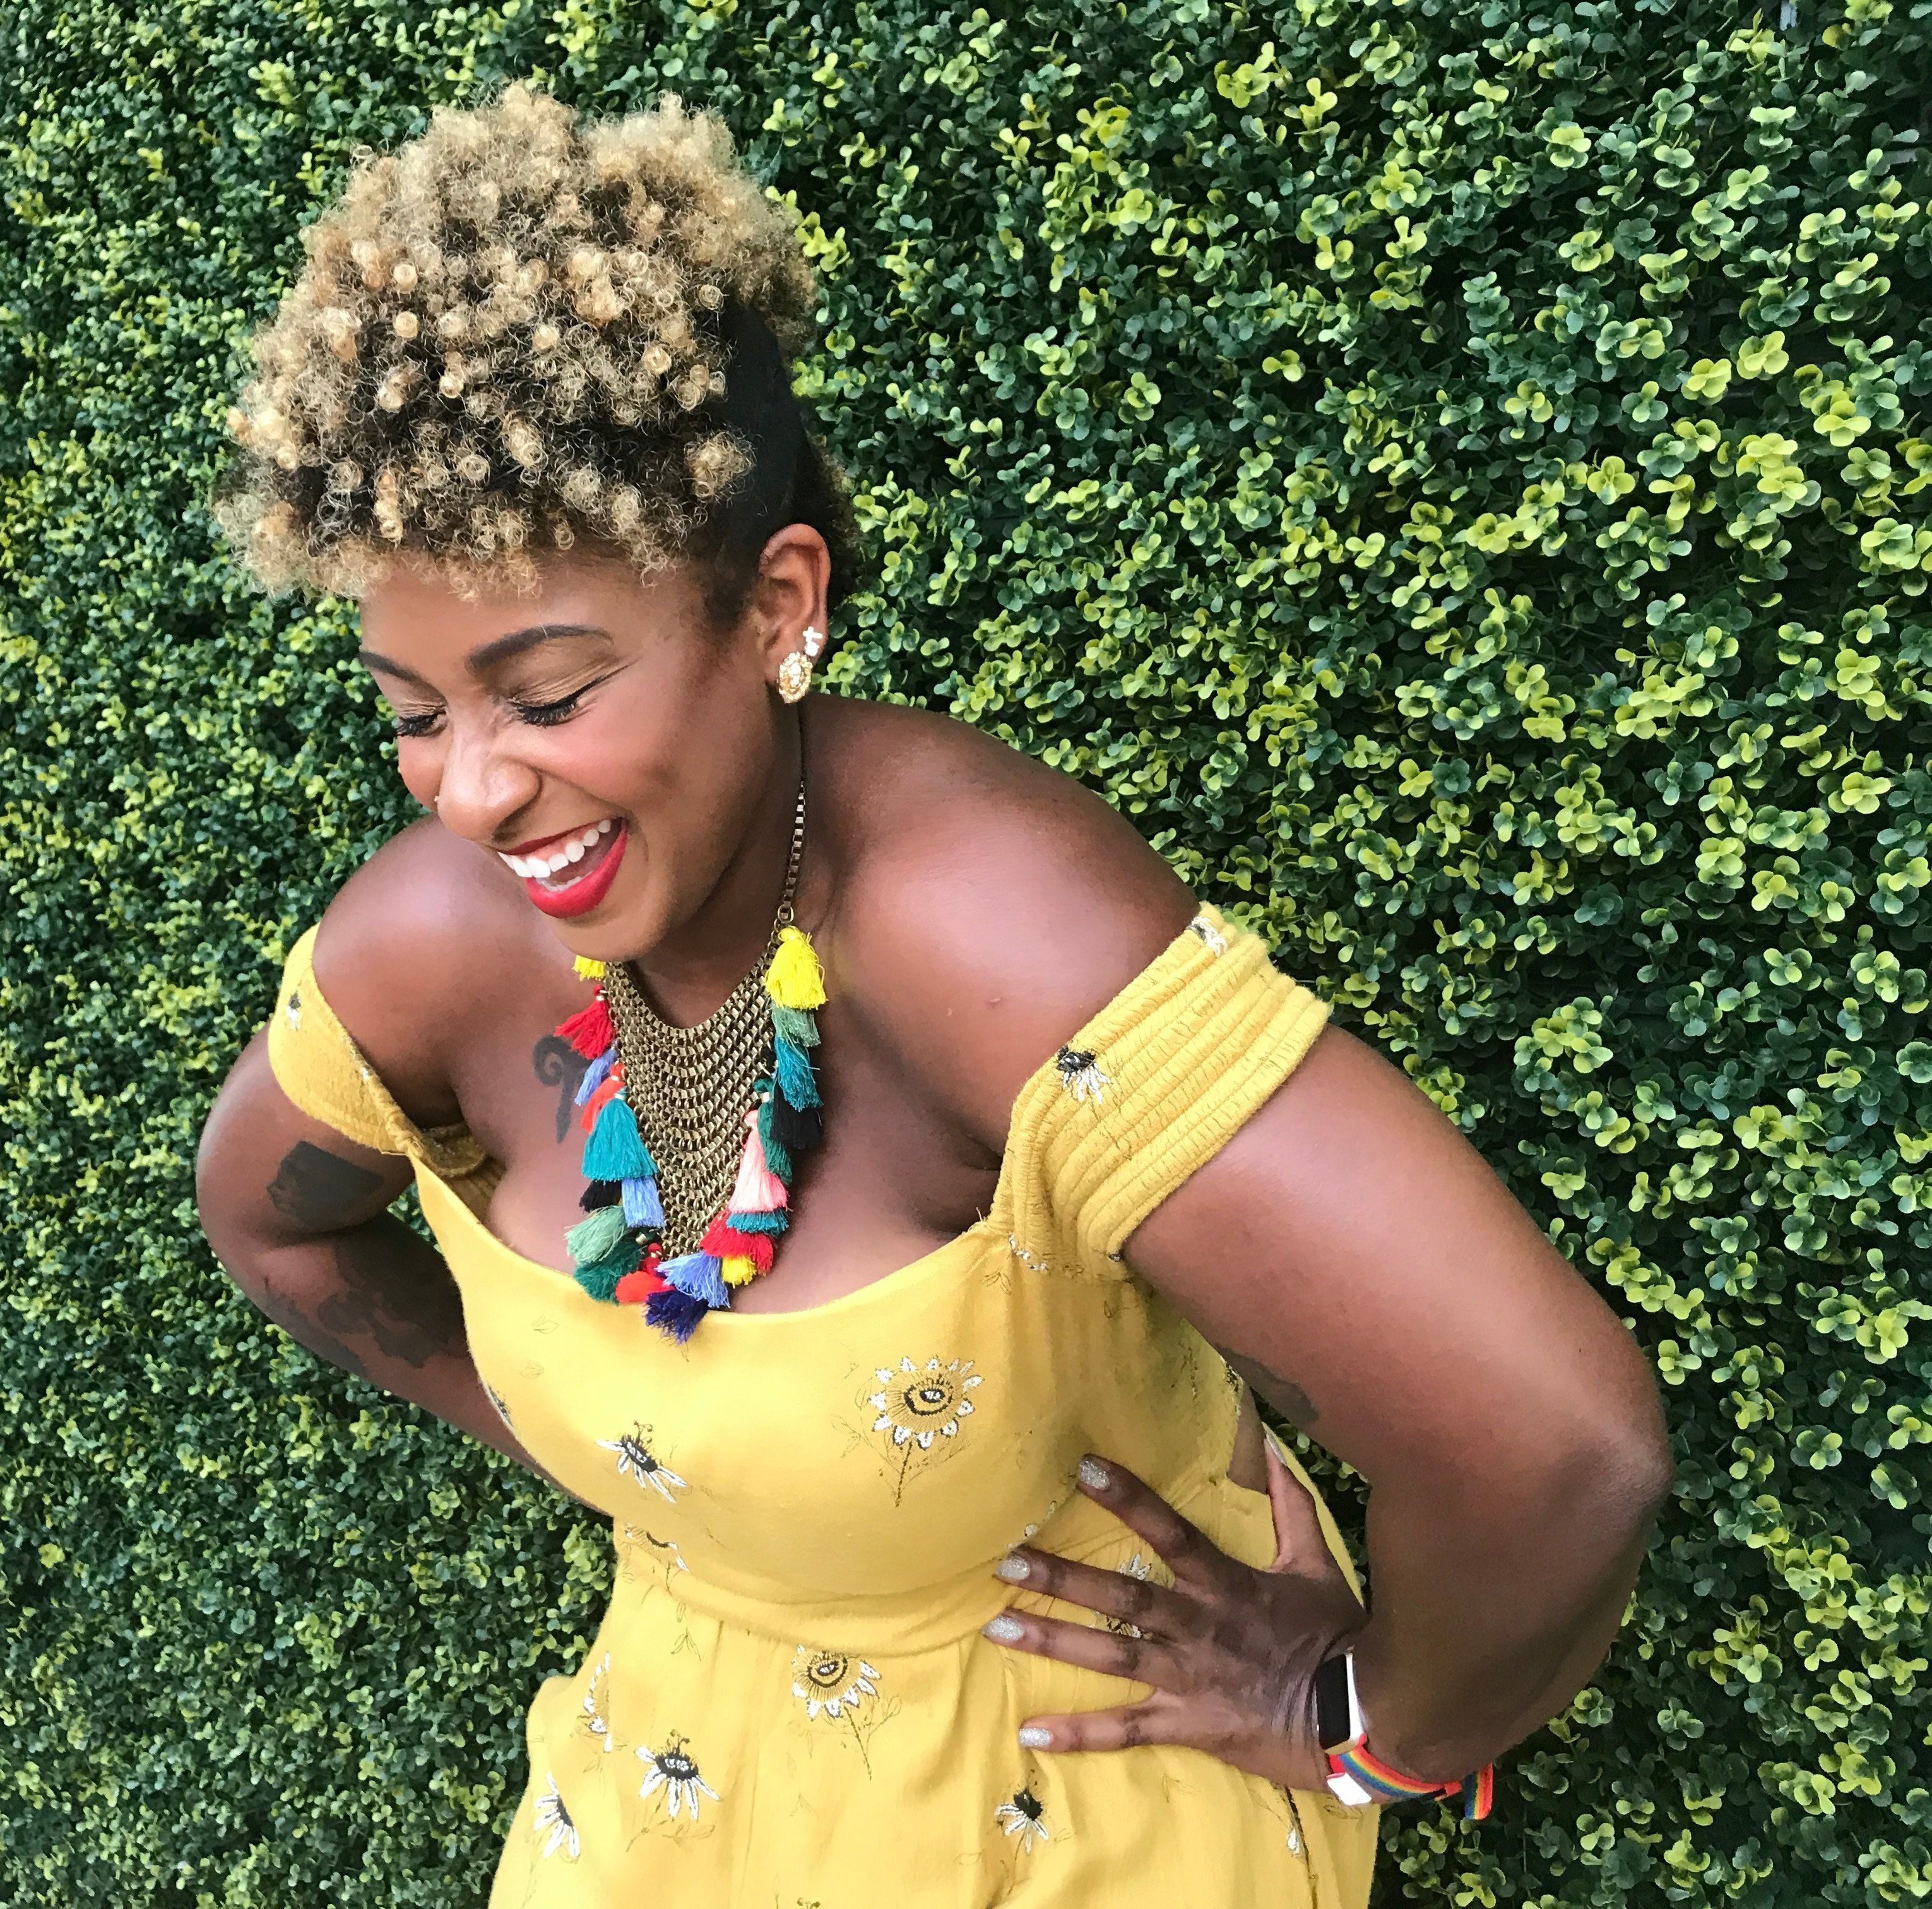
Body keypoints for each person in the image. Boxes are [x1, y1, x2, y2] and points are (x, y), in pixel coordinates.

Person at [192, 80, 1671, 1907]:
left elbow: (1554, 1449)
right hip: (673, 1786)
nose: (474, 789)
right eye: (415, 711)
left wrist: (1365, 1722)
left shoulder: (982, 934)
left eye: (551, 694)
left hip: (1055, 1803)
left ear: (775, 605)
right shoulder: (435, 939)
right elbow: (272, 1221)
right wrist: (676, 1484)